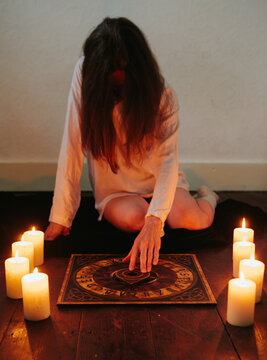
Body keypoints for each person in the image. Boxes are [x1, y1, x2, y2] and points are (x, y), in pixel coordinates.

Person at [45, 17, 218, 273]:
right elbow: (71, 143)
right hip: (116, 191)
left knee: (191, 220)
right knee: (137, 219)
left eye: (119, 88)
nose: (114, 97)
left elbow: (168, 165)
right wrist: (61, 216)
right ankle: (152, 212)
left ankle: (208, 197)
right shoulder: (85, 72)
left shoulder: (162, 97)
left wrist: (155, 221)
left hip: (158, 181)